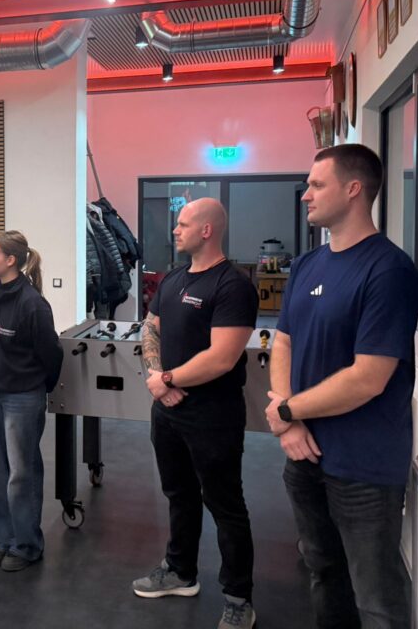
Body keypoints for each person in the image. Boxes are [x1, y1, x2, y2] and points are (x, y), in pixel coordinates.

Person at [265, 145, 418, 629]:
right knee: (323, 572)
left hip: (364, 466)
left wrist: (288, 412)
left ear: (353, 189)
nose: (305, 195)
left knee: (376, 597)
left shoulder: (389, 271)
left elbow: (368, 378)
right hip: (304, 455)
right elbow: (284, 342)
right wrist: (288, 420)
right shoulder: (306, 265)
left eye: (317, 185)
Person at [133, 197, 259, 629]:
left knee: (225, 505)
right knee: (178, 494)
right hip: (168, 413)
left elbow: (222, 357)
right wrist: (157, 378)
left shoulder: (233, 286)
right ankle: (180, 571)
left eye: (183, 223)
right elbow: (150, 328)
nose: (175, 229)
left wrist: (168, 380)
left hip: (213, 416)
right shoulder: (173, 279)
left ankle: (238, 597)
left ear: (207, 230)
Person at [0, 231, 63, 572]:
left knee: (20, 473)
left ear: (10, 260)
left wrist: (39, 389)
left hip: (23, 397)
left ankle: (26, 545)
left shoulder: (33, 305)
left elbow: (51, 354)